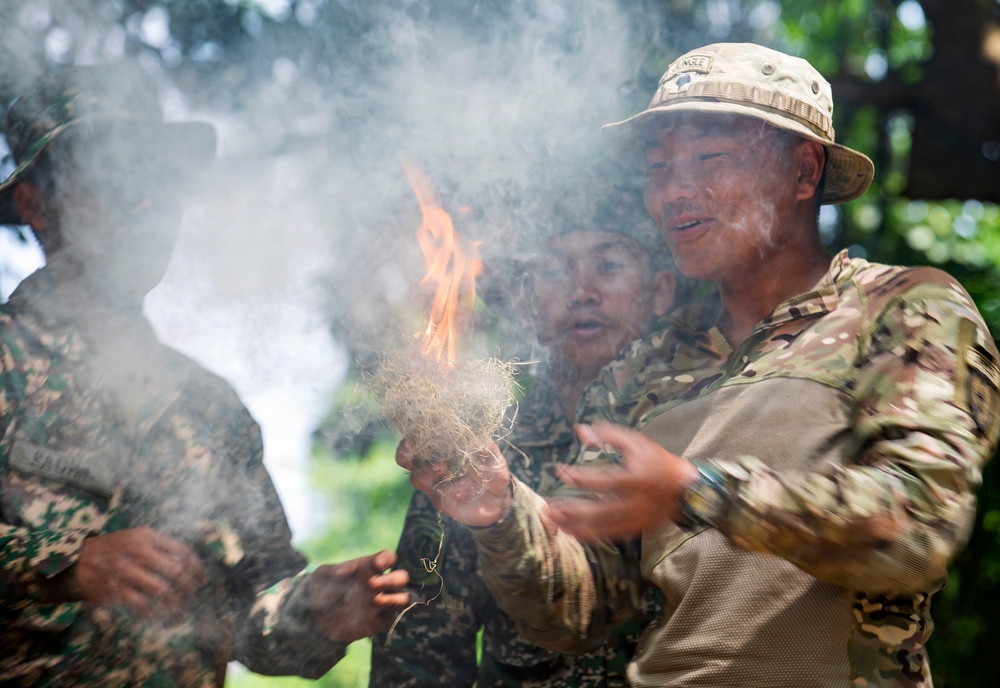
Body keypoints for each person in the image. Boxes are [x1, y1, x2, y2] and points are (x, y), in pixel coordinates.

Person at [396, 42, 1000, 687]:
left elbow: (917, 533)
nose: (674, 192)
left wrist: (694, 491)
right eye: (659, 168)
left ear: (803, 172)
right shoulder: (643, 367)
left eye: (711, 159)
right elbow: (576, 612)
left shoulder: (902, 307)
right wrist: (499, 512)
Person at [0, 65, 409, 687]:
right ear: (34, 204)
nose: (141, 201)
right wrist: (64, 565)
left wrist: (319, 611)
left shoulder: (208, 406)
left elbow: (249, 614)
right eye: (109, 175)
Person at [369, 181, 681, 687]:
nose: (582, 291)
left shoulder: (695, 423)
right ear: (527, 301)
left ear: (662, 290)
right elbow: (420, 644)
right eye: (556, 270)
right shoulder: (478, 449)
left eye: (609, 265)